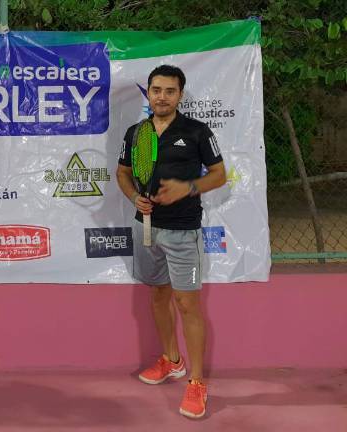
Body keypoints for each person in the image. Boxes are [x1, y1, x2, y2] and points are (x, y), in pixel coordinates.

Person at [116, 65, 226, 419]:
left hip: (182, 231)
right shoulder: (136, 133)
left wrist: (188, 188)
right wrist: (134, 197)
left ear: (180, 95)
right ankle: (172, 360)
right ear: (148, 93)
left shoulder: (196, 131)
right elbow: (123, 173)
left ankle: (196, 383)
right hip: (146, 228)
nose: (161, 97)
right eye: (156, 90)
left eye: (169, 91)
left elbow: (219, 175)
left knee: (187, 304)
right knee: (158, 295)